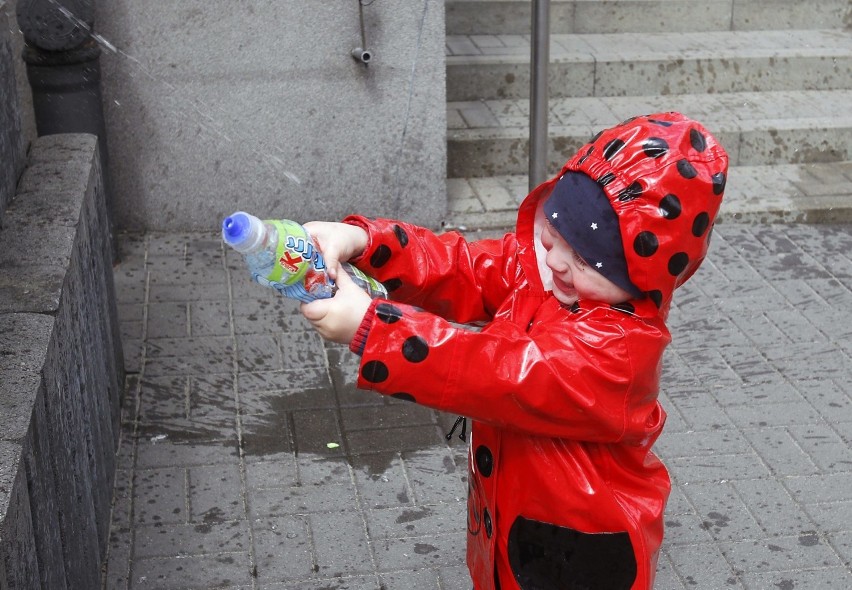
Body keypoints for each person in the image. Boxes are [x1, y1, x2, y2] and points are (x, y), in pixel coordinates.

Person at [299, 112, 729, 590]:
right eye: (555, 232)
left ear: (638, 274)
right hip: (518, 526)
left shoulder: (619, 352)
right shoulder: (546, 276)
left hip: (577, 551)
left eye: (585, 257)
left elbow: (499, 374)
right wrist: (365, 242)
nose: (557, 259)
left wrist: (373, 329)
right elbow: (461, 265)